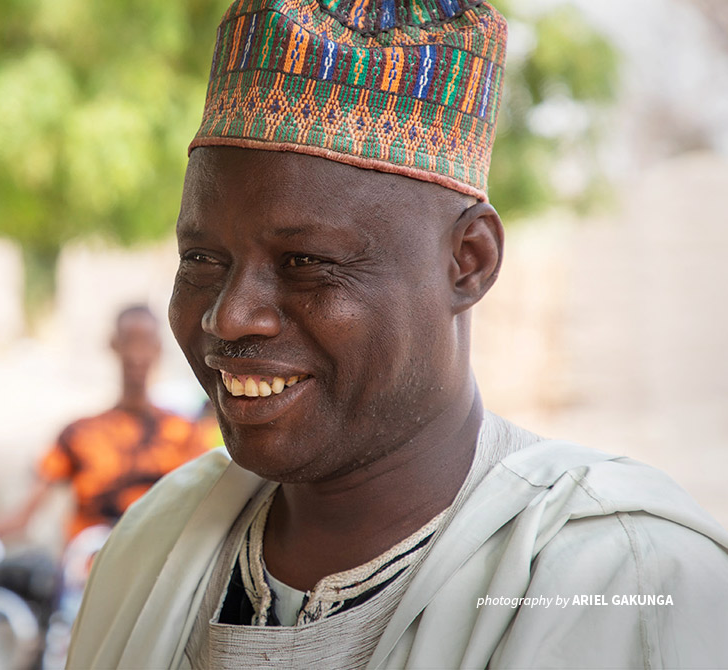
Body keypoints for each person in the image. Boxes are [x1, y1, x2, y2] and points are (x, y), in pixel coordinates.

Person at [67, 2, 728, 668]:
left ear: (468, 261)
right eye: (203, 260)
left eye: (306, 263)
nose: (231, 317)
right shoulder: (157, 544)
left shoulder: (622, 579)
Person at [0, 305, 210, 544]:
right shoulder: (80, 433)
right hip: (89, 557)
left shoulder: (184, 433)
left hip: (155, 555)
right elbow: (22, 517)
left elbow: (203, 511)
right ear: (114, 344)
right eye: (129, 341)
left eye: (145, 342)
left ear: (158, 348)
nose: (136, 355)